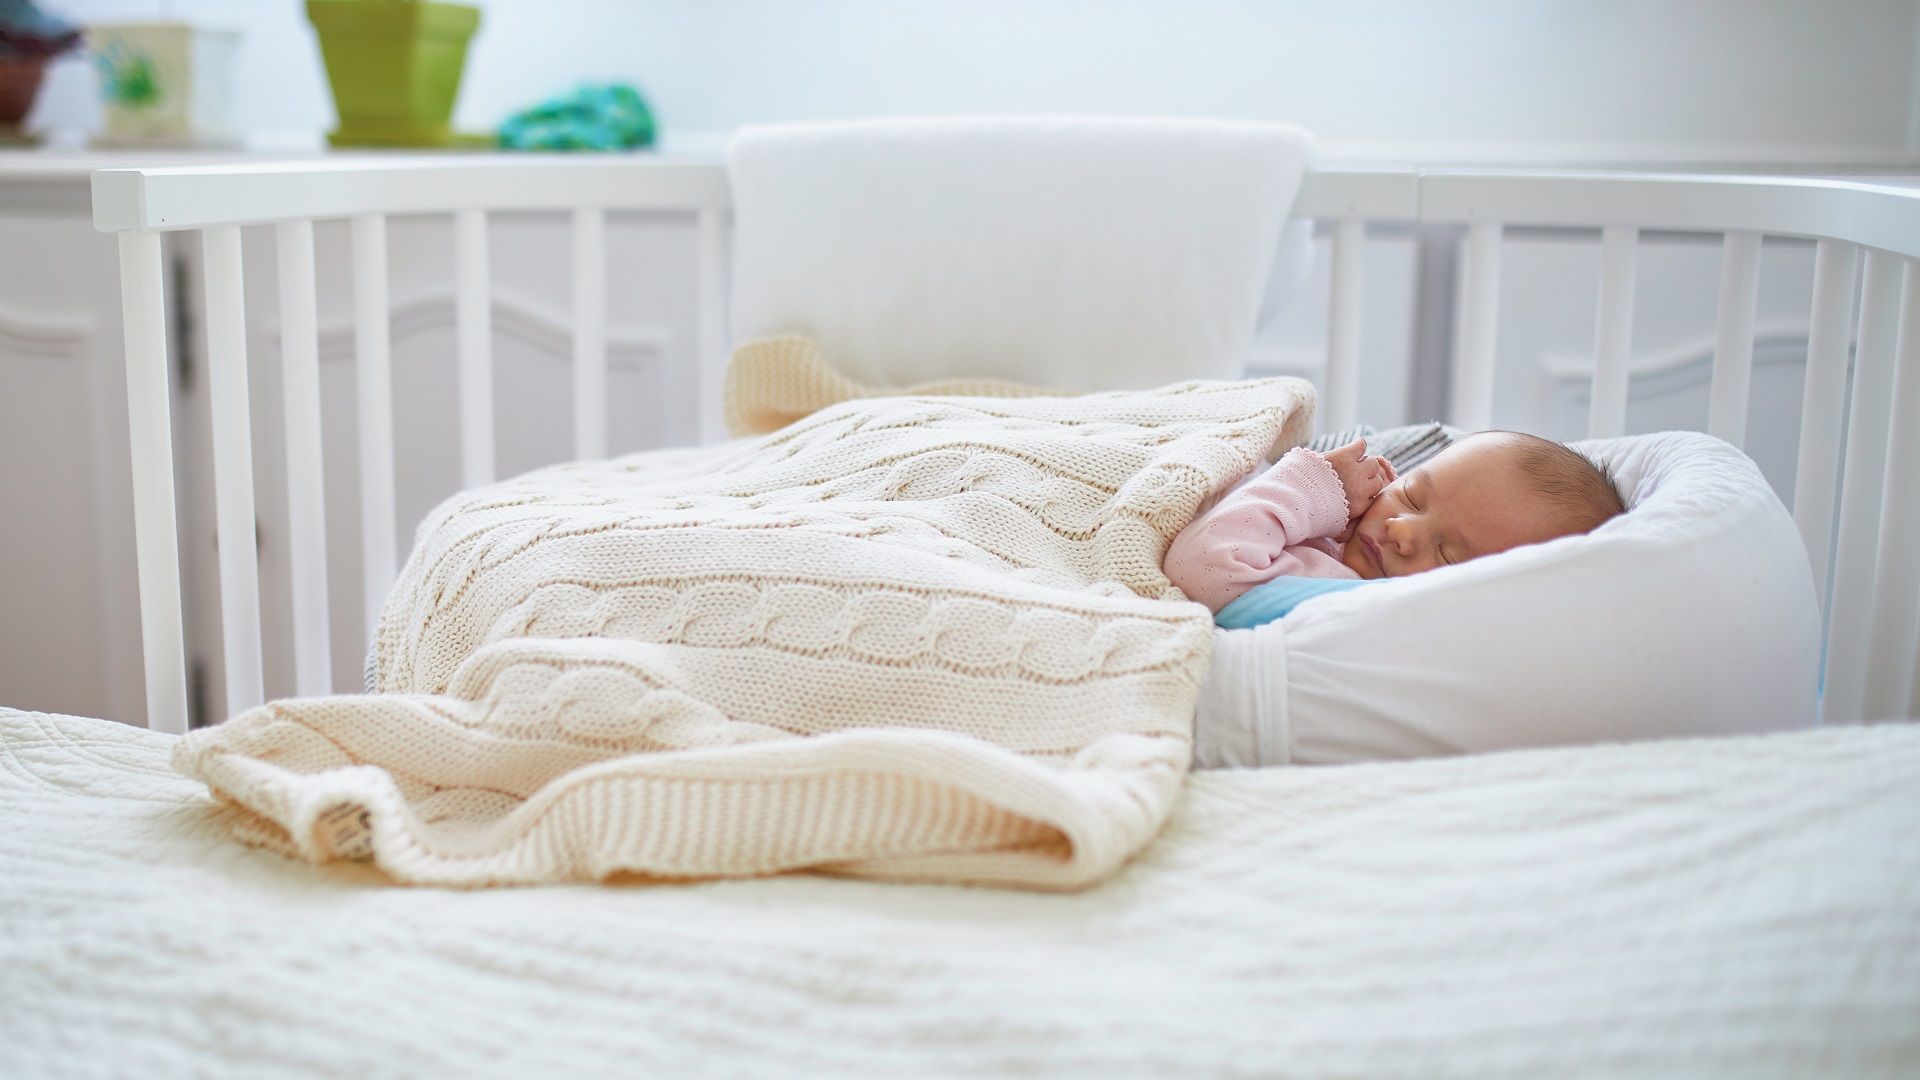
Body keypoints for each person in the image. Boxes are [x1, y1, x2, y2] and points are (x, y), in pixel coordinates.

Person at [1163, 430, 1626, 613]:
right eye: (1411, 495)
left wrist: (1314, 485)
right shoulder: (1340, 543)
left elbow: (1202, 567)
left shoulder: (1349, 600)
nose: (1401, 530)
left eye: (1447, 553)